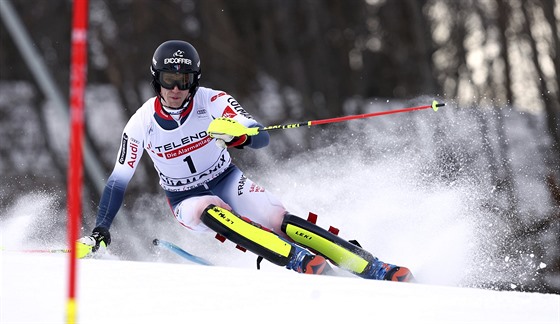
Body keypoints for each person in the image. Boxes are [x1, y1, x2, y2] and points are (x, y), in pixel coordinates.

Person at [77, 40, 414, 282]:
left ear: (195, 81)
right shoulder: (141, 123)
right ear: (157, 80)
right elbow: (117, 181)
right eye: (169, 80)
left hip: (225, 176)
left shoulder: (213, 101)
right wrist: (100, 229)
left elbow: (261, 136)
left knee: (279, 218)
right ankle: (296, 260)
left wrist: (238, 135)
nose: (177, 89)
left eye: (184, 81)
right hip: (185, 197)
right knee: (209, 210)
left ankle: (371, 266)